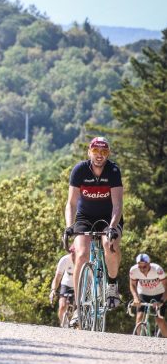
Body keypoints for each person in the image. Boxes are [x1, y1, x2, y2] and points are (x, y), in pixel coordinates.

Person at [64, 136, 124, 327]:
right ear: (89, 152)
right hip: (85, 218)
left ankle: (112, 285)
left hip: (108, 218)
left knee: (110, 244)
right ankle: (77, 307)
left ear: (108, 154)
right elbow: (71, 203)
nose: (99, 156)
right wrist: (69, 226)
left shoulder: (113, 171)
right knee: (80, 254)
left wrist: (113, 227)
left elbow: (117, 205)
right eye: (96, 152)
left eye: (104, 152)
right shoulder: (80, 170)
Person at [128, 253, 167, 336]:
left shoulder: (157, 269)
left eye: (144, 266)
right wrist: (135, 297)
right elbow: (132, 285)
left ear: (149, 264)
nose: (142, 269)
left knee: (159, 320)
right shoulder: (133, 270)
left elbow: (166, 286)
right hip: (143, 294)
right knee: (139, 317)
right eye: (140, 267)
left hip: (158, 294)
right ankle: (139, 340)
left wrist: (161, 301)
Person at [49, 247, 76, 326]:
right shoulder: (64, 260)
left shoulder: (83, 259)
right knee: (62, 306)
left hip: (79, 284)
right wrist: (53, 290)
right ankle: (64, 325)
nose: (74, 256)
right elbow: (57, 278)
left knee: (78, 309)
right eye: (72, 254)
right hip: (66, 283)